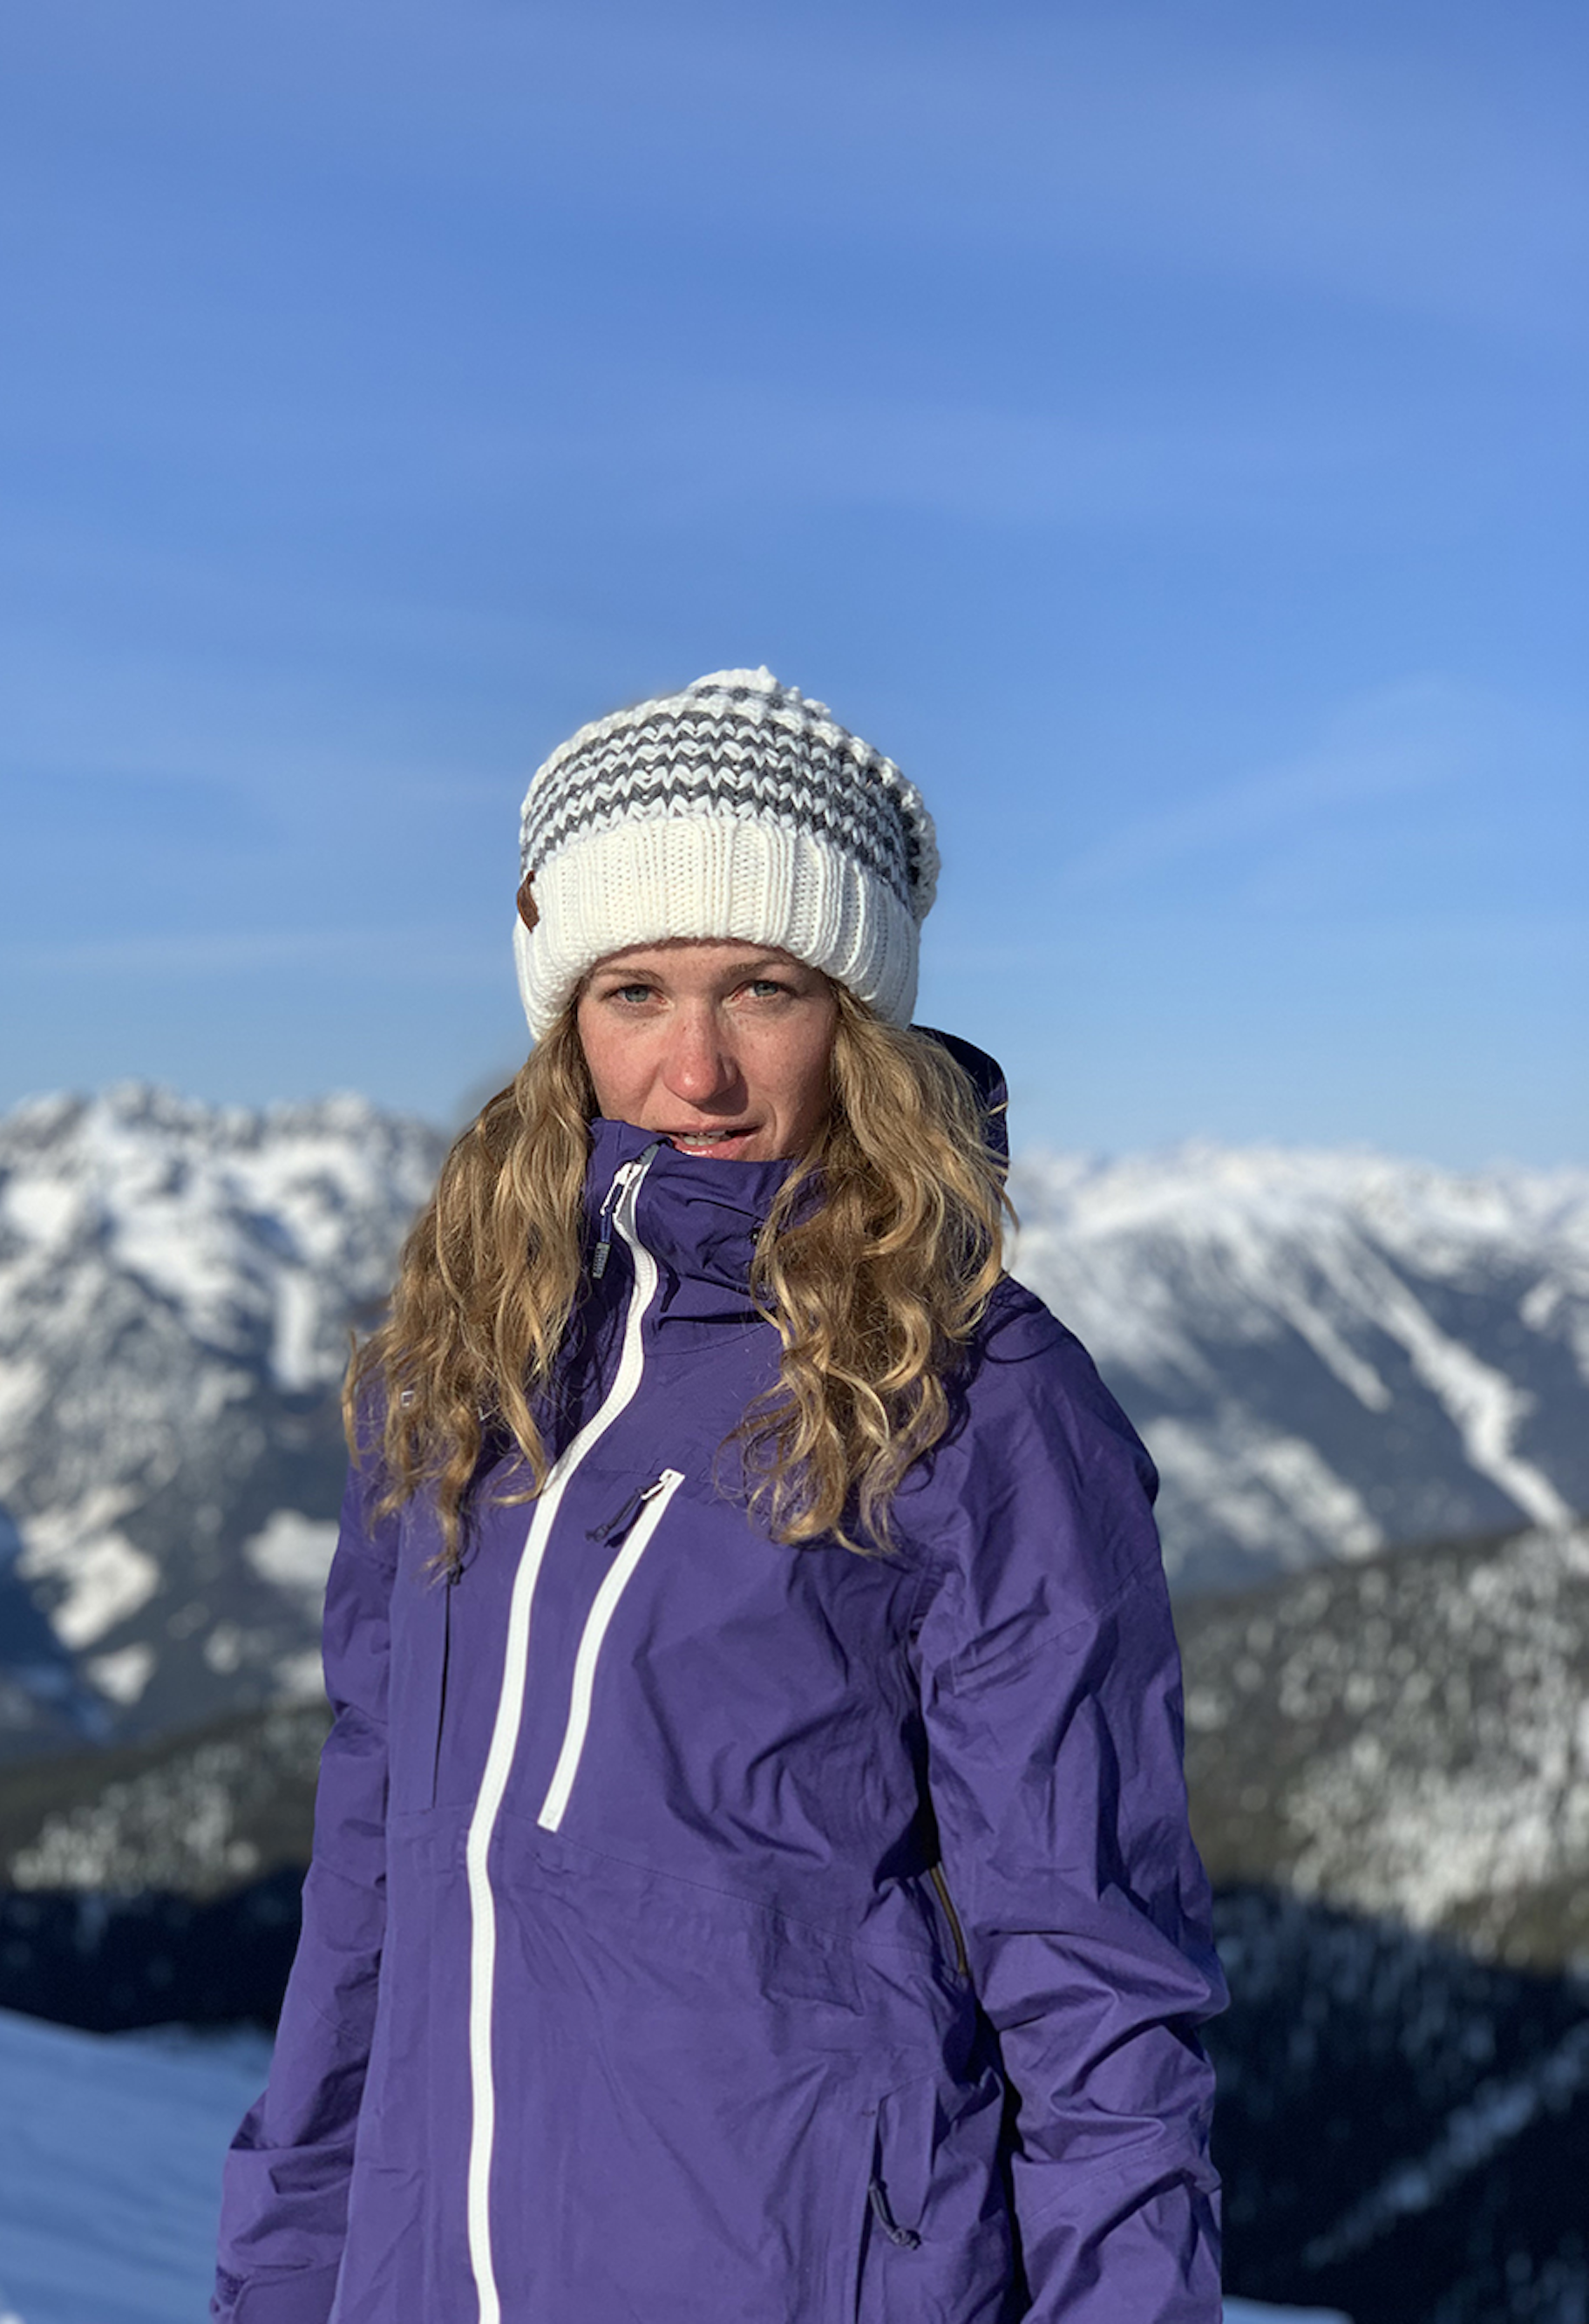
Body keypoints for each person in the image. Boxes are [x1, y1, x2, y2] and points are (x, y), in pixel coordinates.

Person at [213, 669, 1226, 2324]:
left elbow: (1096, 1976)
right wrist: (279, 2280)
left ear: (856, 1018)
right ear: (567, 1018)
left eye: (763, 986)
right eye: (634, 991)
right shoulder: (458, 1365)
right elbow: (368, 1902)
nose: (695, 1068)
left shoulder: (979, 1391)